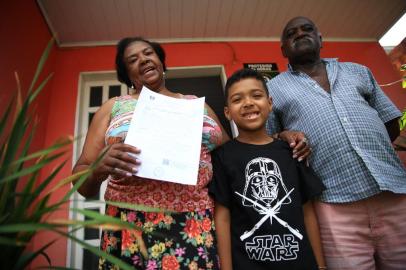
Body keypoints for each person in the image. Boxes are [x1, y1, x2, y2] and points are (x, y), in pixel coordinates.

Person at [72, 37, 311, 269]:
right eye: (133, 60)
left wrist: (277, 139)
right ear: (127, 74)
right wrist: (96, 169)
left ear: (161, 62)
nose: (143, 60)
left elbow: (236, 153)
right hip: (131, 225)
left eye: (148, 53)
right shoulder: (113, 107)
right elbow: (81, 181)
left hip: (196, 224)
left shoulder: (197, 105)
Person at [267, 16, 406, 270]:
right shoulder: (273, 89)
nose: (300, 34)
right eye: (291, 33)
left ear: (320, 39)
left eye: (307, 29)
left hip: (395, 194)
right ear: (283, 50)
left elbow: (390, 123)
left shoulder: (358, 70)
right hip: (333, 204)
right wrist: (284, 135)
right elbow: (267, 143)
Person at [209, 68, 326, 270]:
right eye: (237, 100)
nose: (248, 103)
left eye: (256, 96)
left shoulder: (292, 150)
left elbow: (307, 211)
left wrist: (321, 266)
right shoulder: (222, 157)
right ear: (227, 112)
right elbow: (223, 217)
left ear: (270, 103)